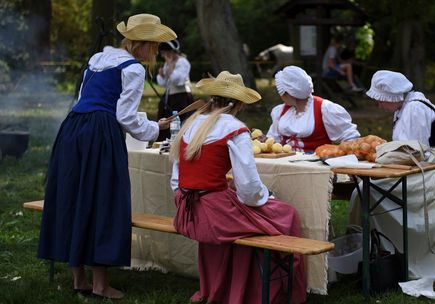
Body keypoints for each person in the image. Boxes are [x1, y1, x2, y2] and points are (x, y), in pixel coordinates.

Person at [37, 14, 176, 299]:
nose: (155, 52)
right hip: (100, 134)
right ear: (142, 44)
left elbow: (81, 100)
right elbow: (125, 116)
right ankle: (100, 285)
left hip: (73, 128)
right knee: (104, 200)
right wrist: (155, 128)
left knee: (75, 197)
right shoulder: (133, 68)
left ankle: (79, 280)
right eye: (154, 46)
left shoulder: (97, 60)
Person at [169, 71, 306, 304]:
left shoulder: (190, 124)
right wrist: (267, 198)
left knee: (243, 221)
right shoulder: (235, 129)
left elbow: (176, 180)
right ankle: (281, 292)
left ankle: (227, 288)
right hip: (213, 215)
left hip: (186, 211)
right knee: (286, 215)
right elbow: (249, 188)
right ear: (240, 104)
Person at [349, 70, 435, 281]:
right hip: (421, 168)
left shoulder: (414, 109)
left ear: (392, 97)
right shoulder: (406, 107)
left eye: (381, 100)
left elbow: (413, 154)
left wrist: (382, 158)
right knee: (363, 191)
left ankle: (384, 253)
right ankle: (368, 250)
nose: (379, 105)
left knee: (367, 192)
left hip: (431, 172)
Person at [267, 65, 360, 152]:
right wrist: (265, 141)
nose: (280, 95)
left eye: (280, 91)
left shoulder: (325, 109)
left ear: (289, 93)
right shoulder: (281, 111)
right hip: (284, 164)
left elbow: (351, 139)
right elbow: (273, 140)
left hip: (315, 166)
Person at [156, 39, 193, 141]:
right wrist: (162, 75)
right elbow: (164, 84)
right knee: (166, 122)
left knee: (181, 122)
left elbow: (178, 80)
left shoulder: (182, 62)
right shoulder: (167, 63)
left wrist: (171, 68)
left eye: (166, 53)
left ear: (173, 51)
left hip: (182, 98)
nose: (164, 56)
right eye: (163, 53)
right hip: (170, 98)